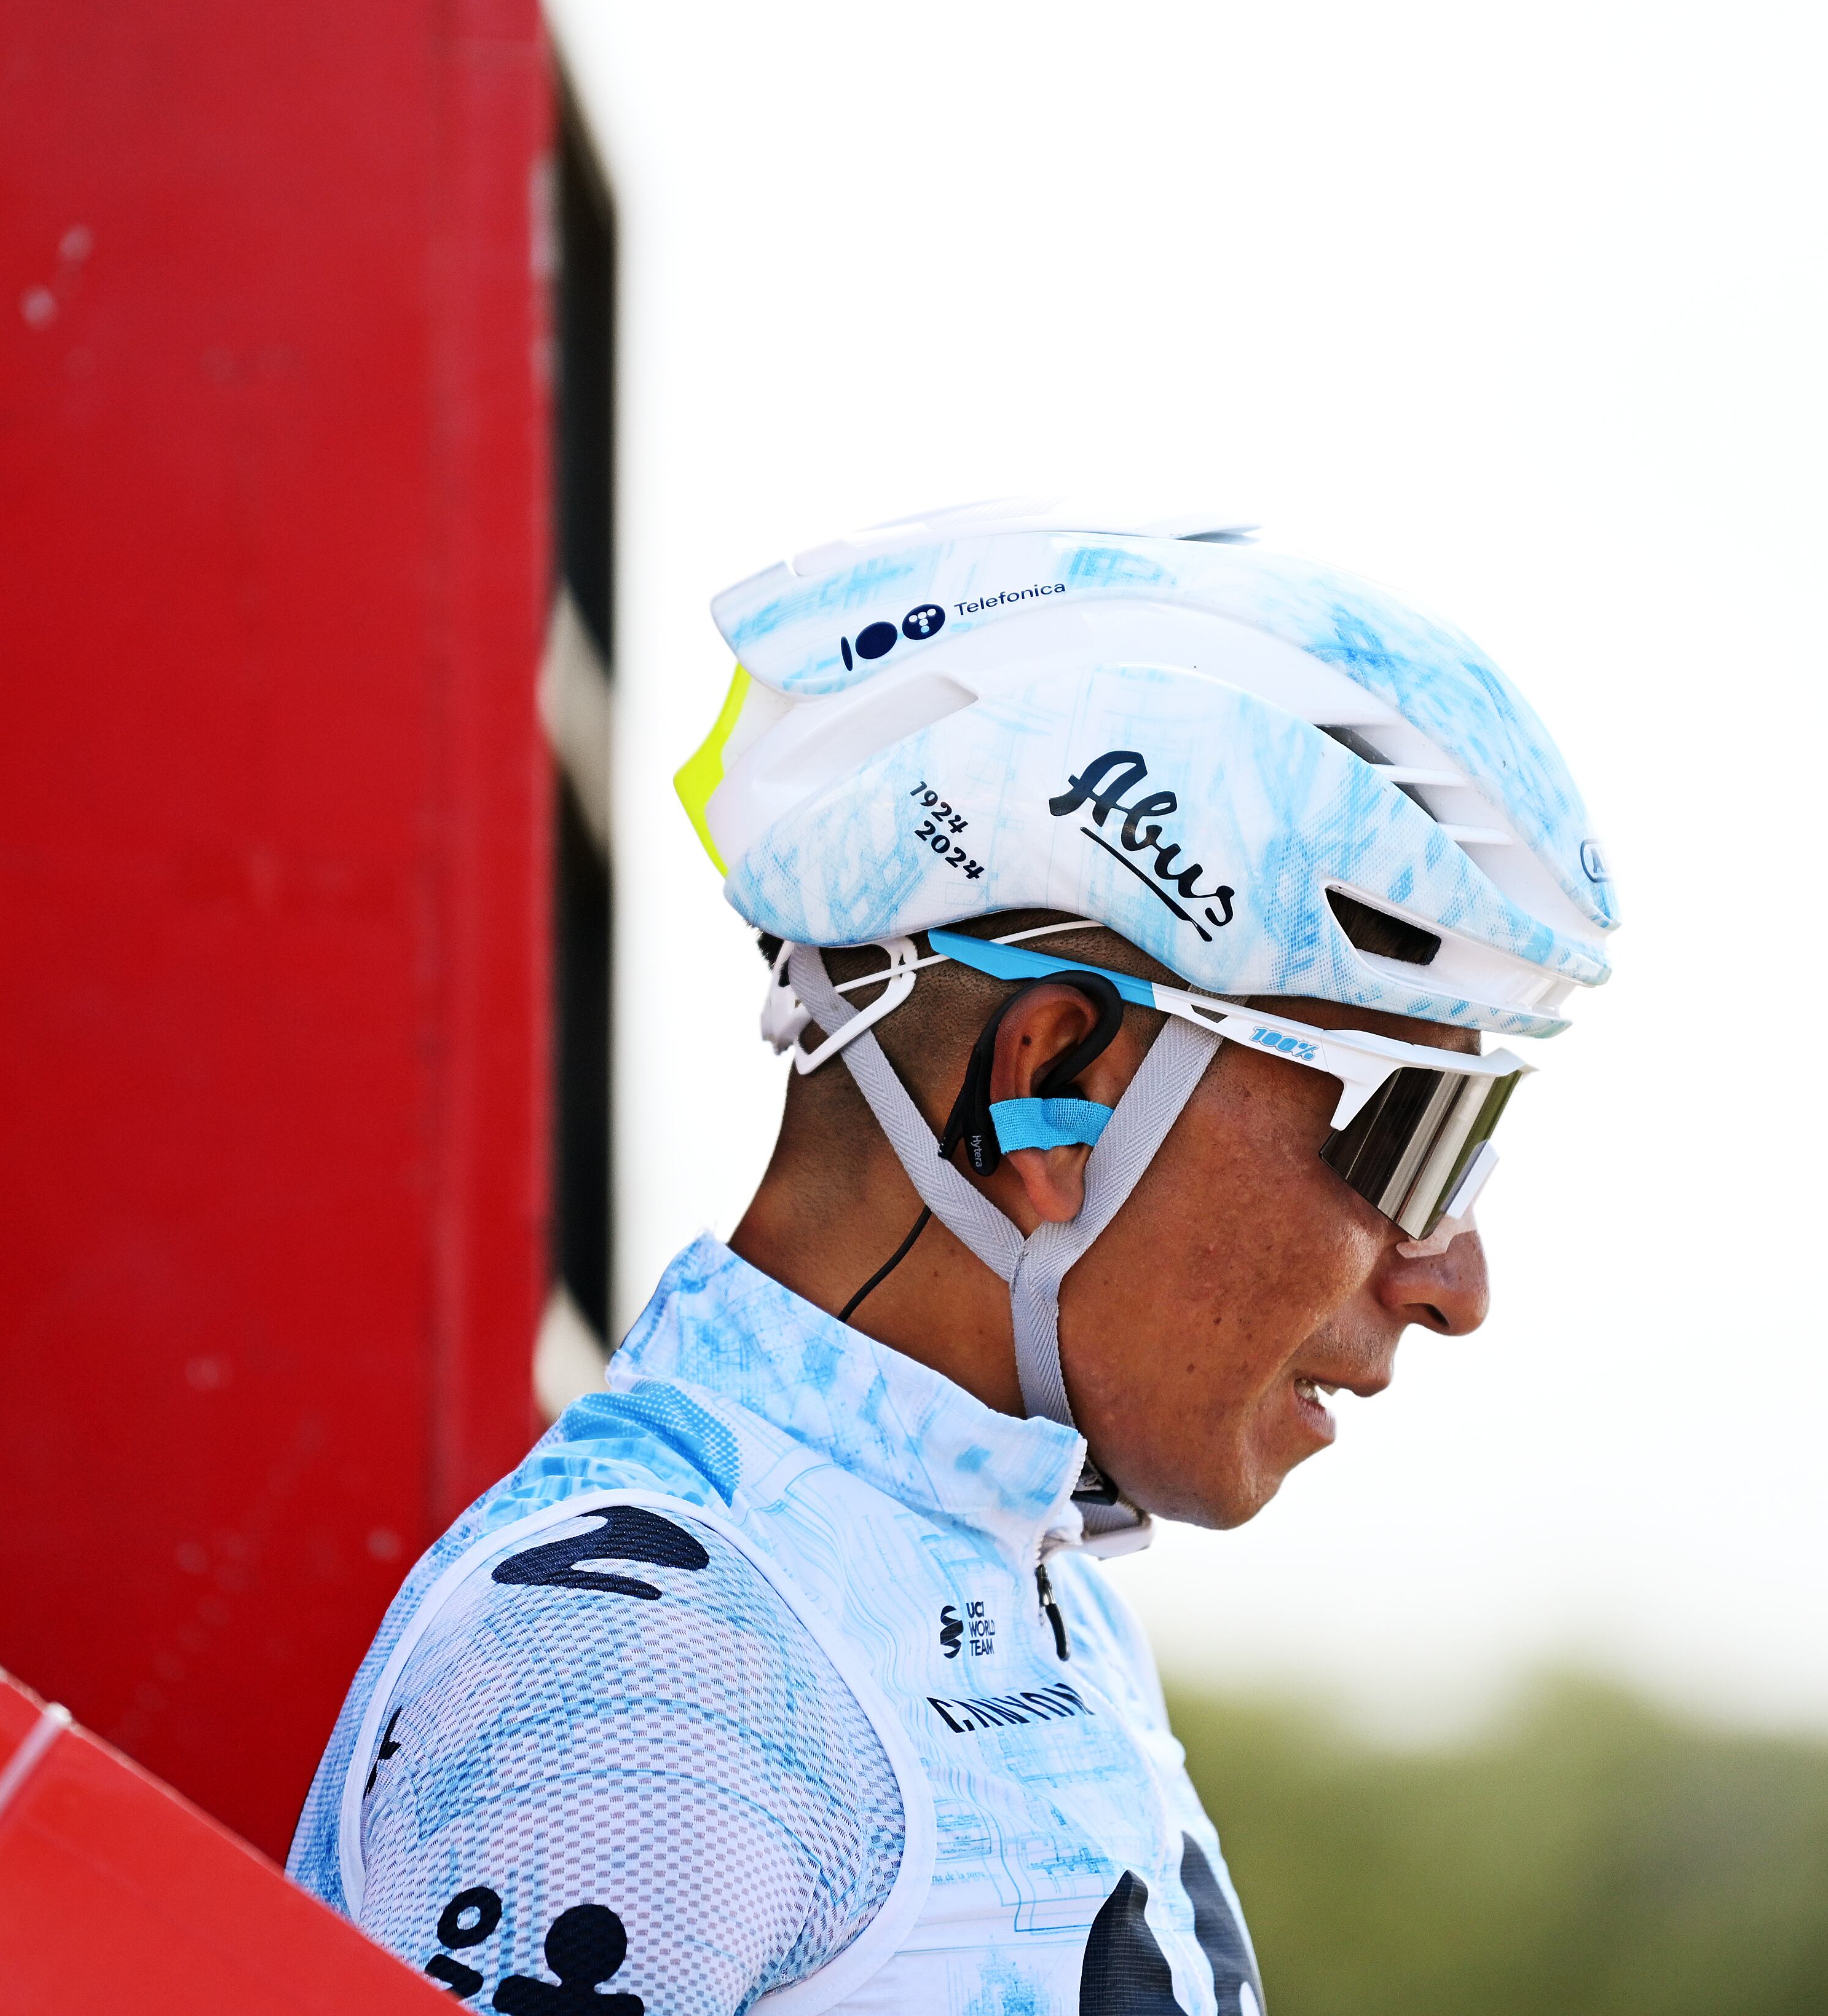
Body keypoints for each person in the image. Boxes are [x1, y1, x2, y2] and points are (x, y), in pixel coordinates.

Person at [285, 501, 1621, 2015]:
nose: (1455, 1280)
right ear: (1051, 1088)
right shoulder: (651, 1667)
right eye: (1410, 1134)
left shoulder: (1010, 1572)